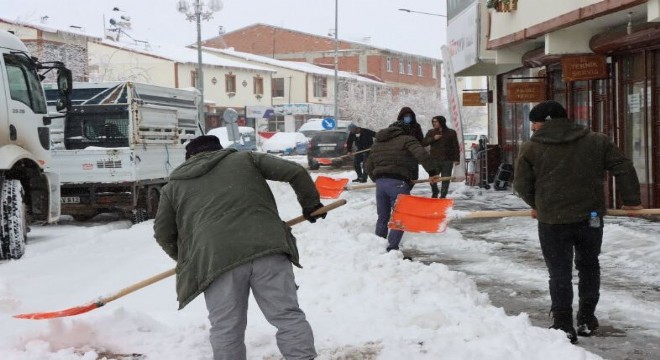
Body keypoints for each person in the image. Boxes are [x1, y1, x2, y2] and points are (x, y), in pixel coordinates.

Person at [154, 135, 325, 360]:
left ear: (189, 158)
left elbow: (163, 233)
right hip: (268, 248)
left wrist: (188, 259)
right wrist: (310, 204)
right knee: (286, 316)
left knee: (226, 328)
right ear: (220, 150)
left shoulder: (174, 186)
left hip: (216, 261)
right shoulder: (246, 159)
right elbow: (295, 171)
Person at [513, 100, 643, 344]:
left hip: (553, 221)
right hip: (591, 218)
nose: (532, 128)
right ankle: (586, 318)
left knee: (559, 272)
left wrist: (538, 205)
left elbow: (521, 184)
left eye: (535, 123)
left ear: (546, 122)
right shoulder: (596, 140)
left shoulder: (530, 147)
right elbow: (623, 166)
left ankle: (563, 324)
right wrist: (631, 200)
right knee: (589, 265)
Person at [365, 121, 439, 252]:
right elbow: (421, 154)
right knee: (401, 216)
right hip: (398, 182)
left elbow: (368, 165)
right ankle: (391, 248)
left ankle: (378, 246)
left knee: (382, 216)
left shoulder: (377, 143)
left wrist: (376, 178)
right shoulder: (407, 139)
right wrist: (432, 172)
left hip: (381, 183)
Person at [422, 115, 460, 198]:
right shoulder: (431, 132)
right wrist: (433, 138)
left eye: (436, 121)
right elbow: (424, 143)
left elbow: (455, 146)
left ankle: (443, 195)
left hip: (447, 160)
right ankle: (435, 191)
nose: (434, 123)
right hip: (434, 159)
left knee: (446, 179)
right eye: (433, 122)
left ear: (441, 122)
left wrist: (456, 159)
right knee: (432, 178)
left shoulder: (451, 132)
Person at [395, 107, 424, 184]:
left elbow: (420, 139)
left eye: (409, 116)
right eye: (406, 116)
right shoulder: (396, 126)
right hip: (400, 154)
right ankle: (403, 191)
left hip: (412, 153)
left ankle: (405, 190)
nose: (408, 118)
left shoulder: (416, 126)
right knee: (402, 175)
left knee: (414, 176)